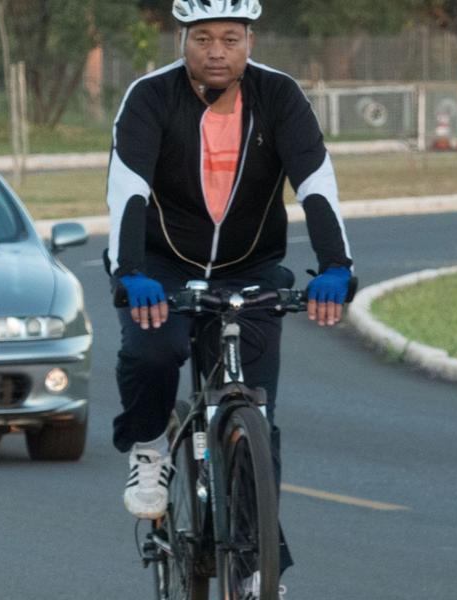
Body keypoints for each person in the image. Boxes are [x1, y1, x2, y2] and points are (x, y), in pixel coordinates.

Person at [107, 0, 353, 593]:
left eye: (231, 38)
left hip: (252, 266)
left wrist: (337, 266)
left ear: (250, 39)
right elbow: (128, 189)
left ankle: (253, 565)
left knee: (257, 418)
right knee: (154, 354)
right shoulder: (149, 96)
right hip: (160, 265)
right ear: (182, 39)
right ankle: (148, 447)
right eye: (203, 38)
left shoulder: (279, 95)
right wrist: (130, 272)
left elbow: (315, 181)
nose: (216, 51)